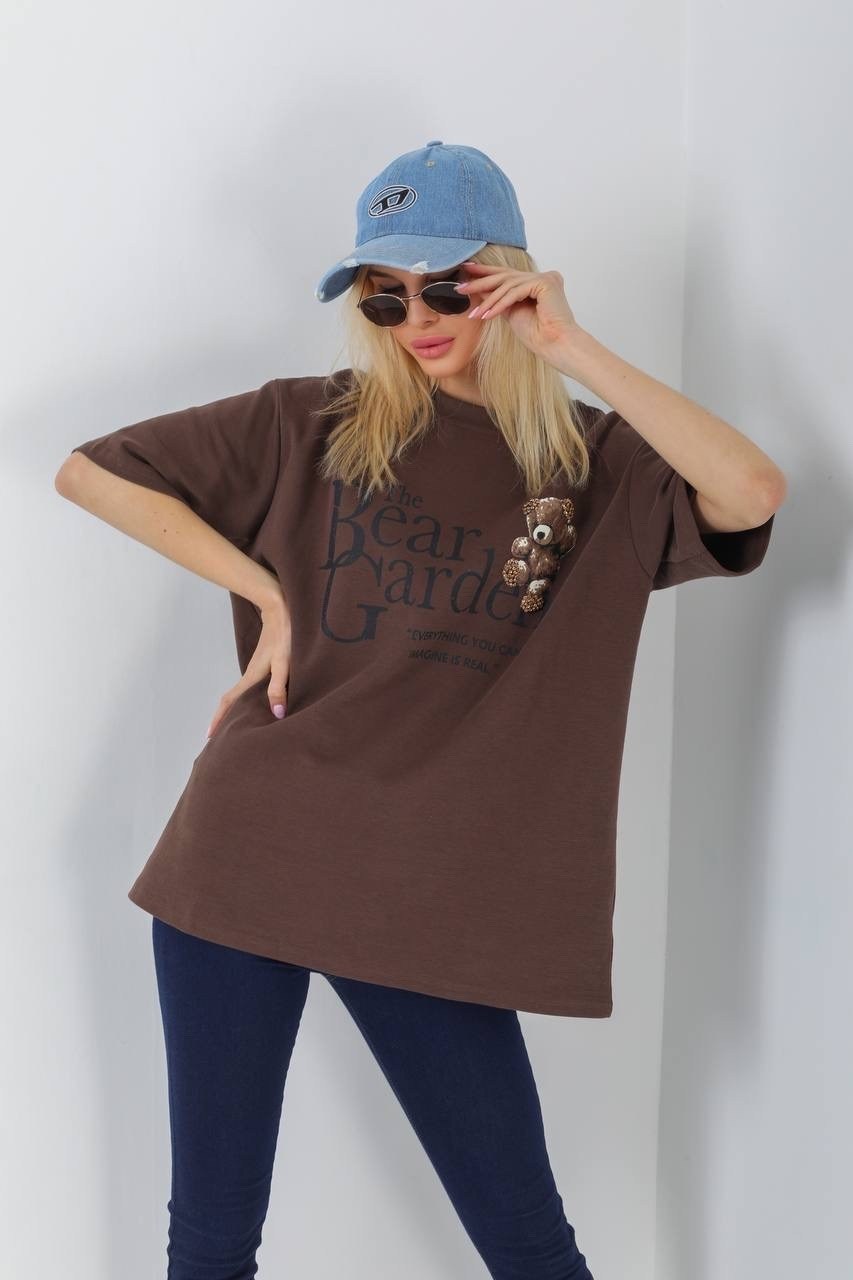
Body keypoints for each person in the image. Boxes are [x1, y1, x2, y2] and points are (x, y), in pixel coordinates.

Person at [55, 140, 786, 1280]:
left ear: (508, 281)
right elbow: (91, 470)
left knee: (529, 1246)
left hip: (433, 893)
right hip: (246, 853)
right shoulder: (310, 422)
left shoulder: (595, 466)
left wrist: (571, 345)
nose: (418, 320)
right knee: (209, 1244)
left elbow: (750, 491)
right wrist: (262, 592)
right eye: (384, 296)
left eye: (447, 287)